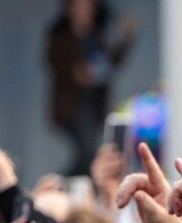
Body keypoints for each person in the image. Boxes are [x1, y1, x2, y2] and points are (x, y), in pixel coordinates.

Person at [46, 0, 135, 176]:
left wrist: (125, 39)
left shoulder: (97, 34)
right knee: (88, 154)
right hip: (72, 105)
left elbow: (110, 62)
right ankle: (61, 184)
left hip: (95, 103)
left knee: (92, 152)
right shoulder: (61, 35)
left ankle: (72, 186)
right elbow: (55, 62)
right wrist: (75, 72)